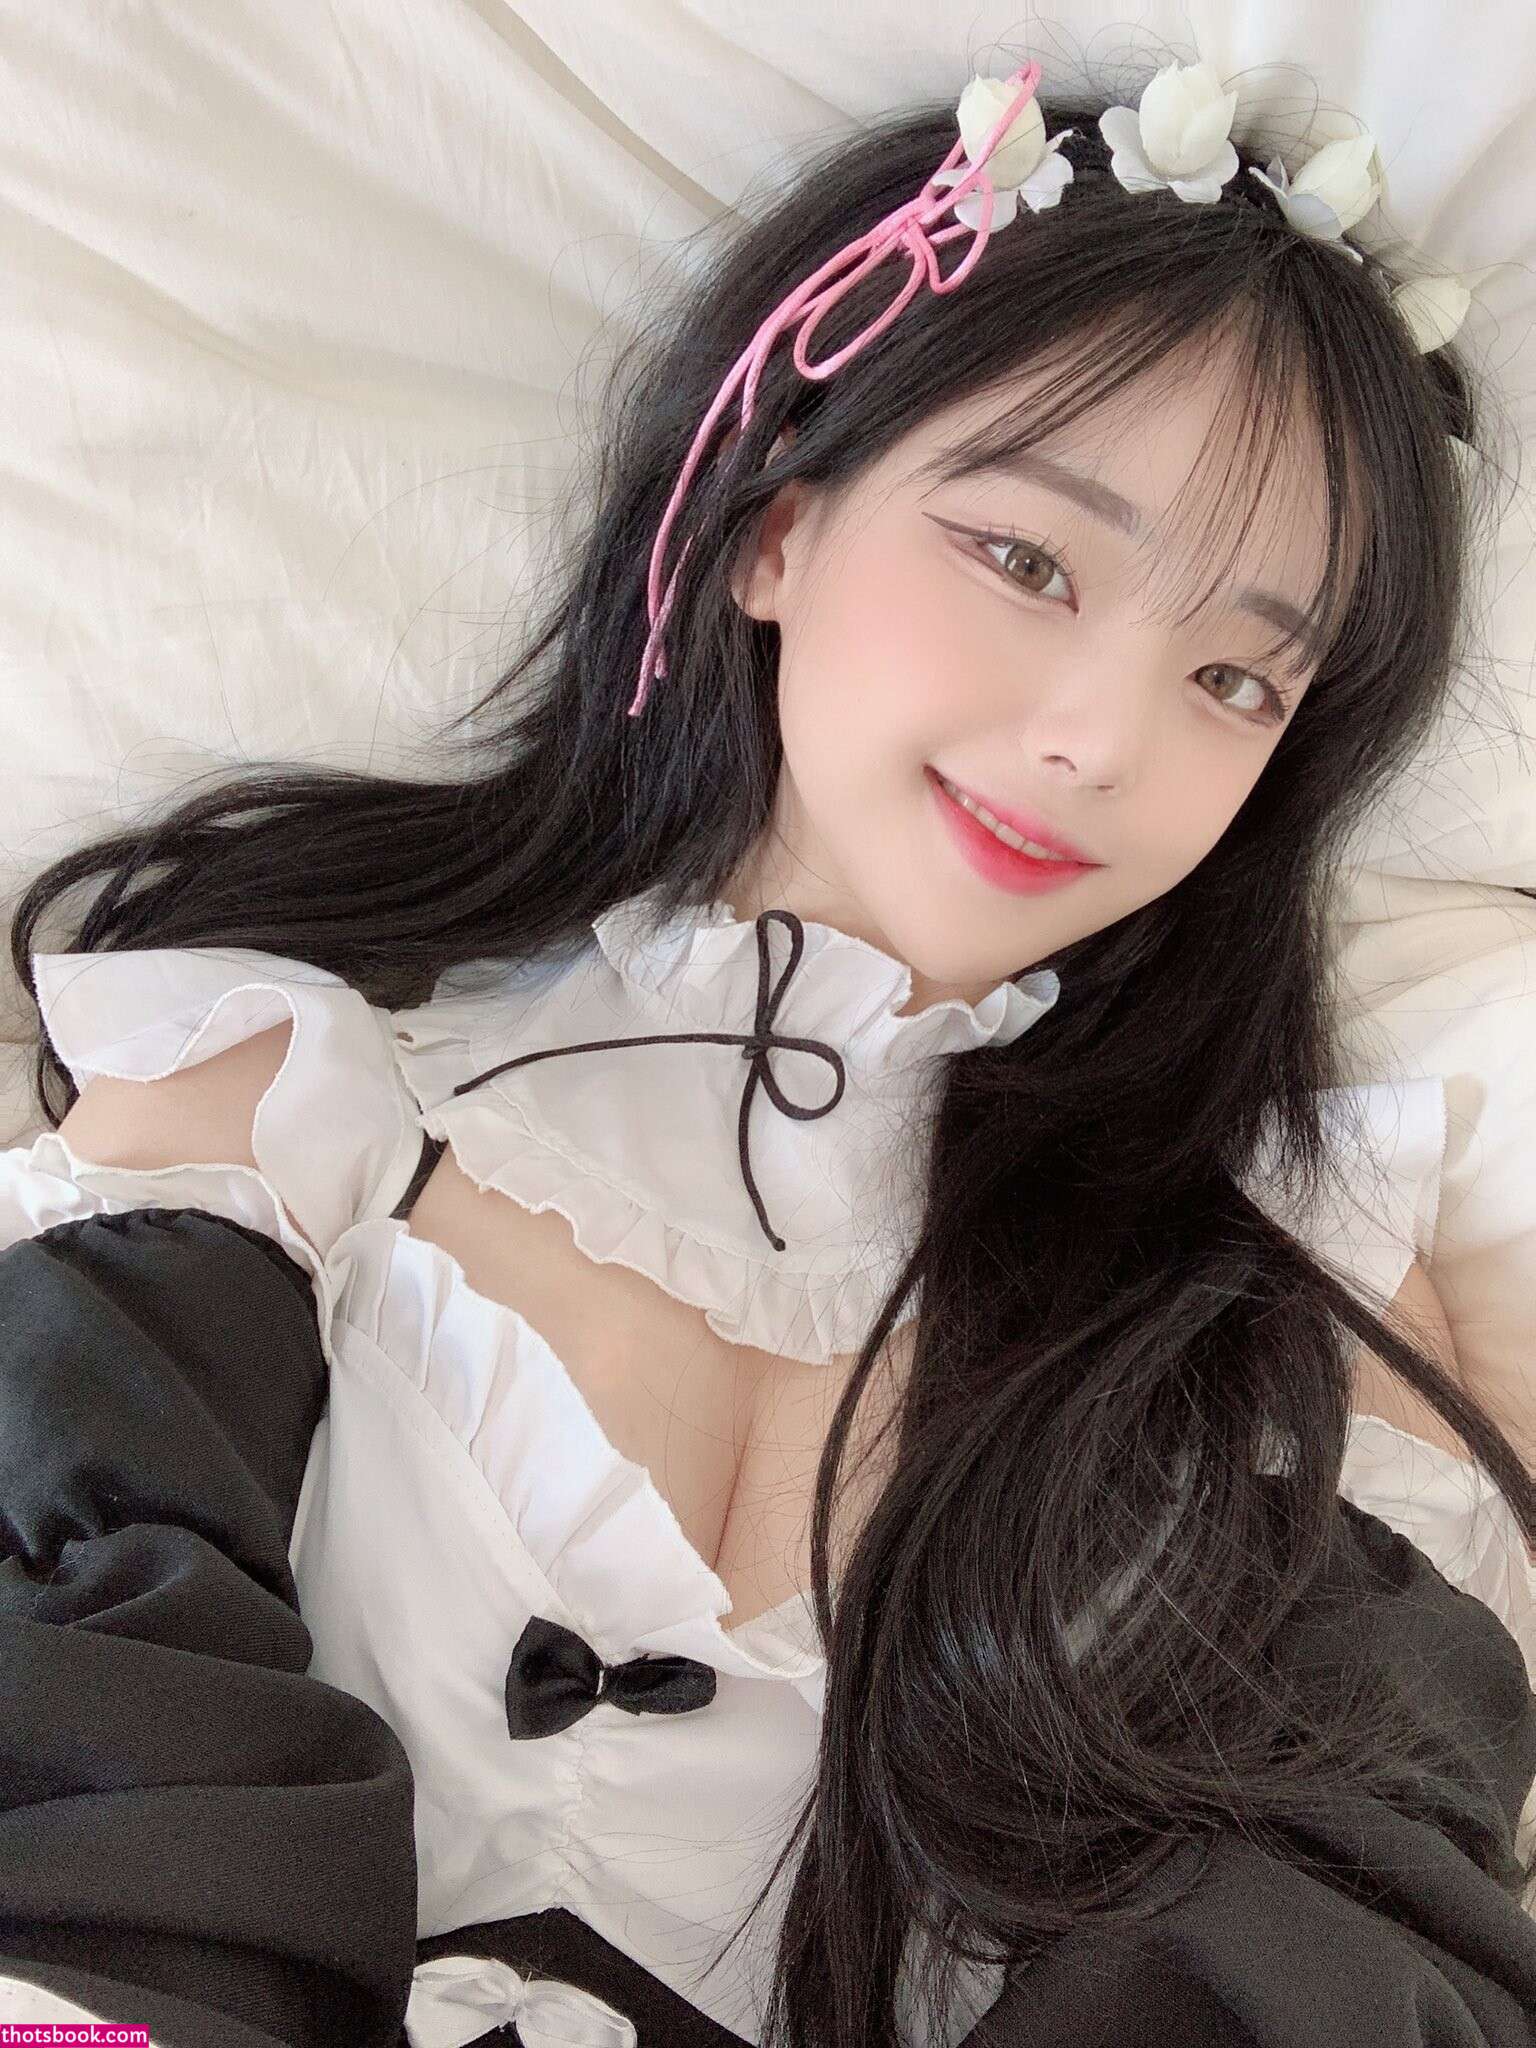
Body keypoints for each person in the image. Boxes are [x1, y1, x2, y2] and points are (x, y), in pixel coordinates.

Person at [1, 54, 1534, 2048]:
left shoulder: (1295, 1302)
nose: (1102, 739)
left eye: (1236, 675)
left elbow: (1328, 1944)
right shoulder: (288, 1073)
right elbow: (71, 1759)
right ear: (775, 528)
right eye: (1029, 561)